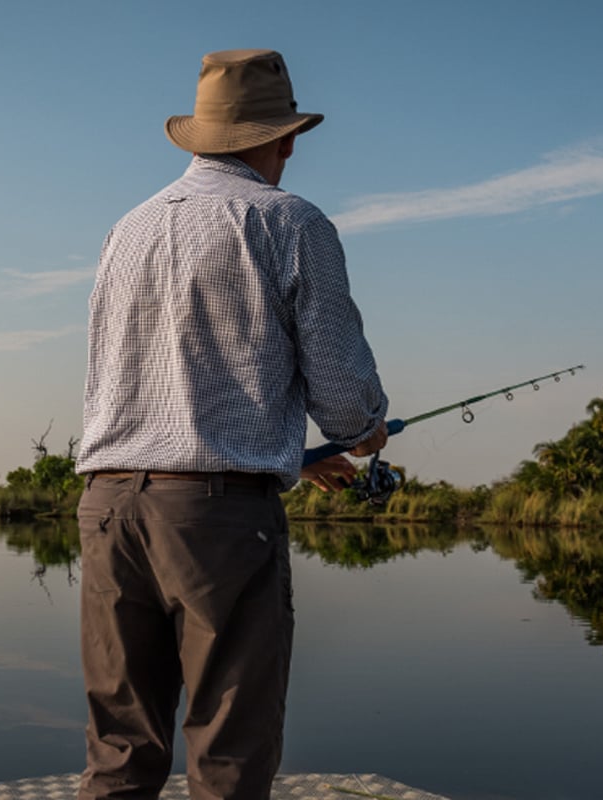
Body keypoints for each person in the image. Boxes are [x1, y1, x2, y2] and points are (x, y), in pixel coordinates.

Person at [73, 49, 389, 800]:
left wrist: (288, 455)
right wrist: (366, 430)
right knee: (229, 755)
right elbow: (343, 396)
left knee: (119, 750)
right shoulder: (291, 222)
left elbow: (146, 385)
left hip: (108, 508)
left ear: (199, 137)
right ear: (285, 138)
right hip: (217, 525)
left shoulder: (129, 228)